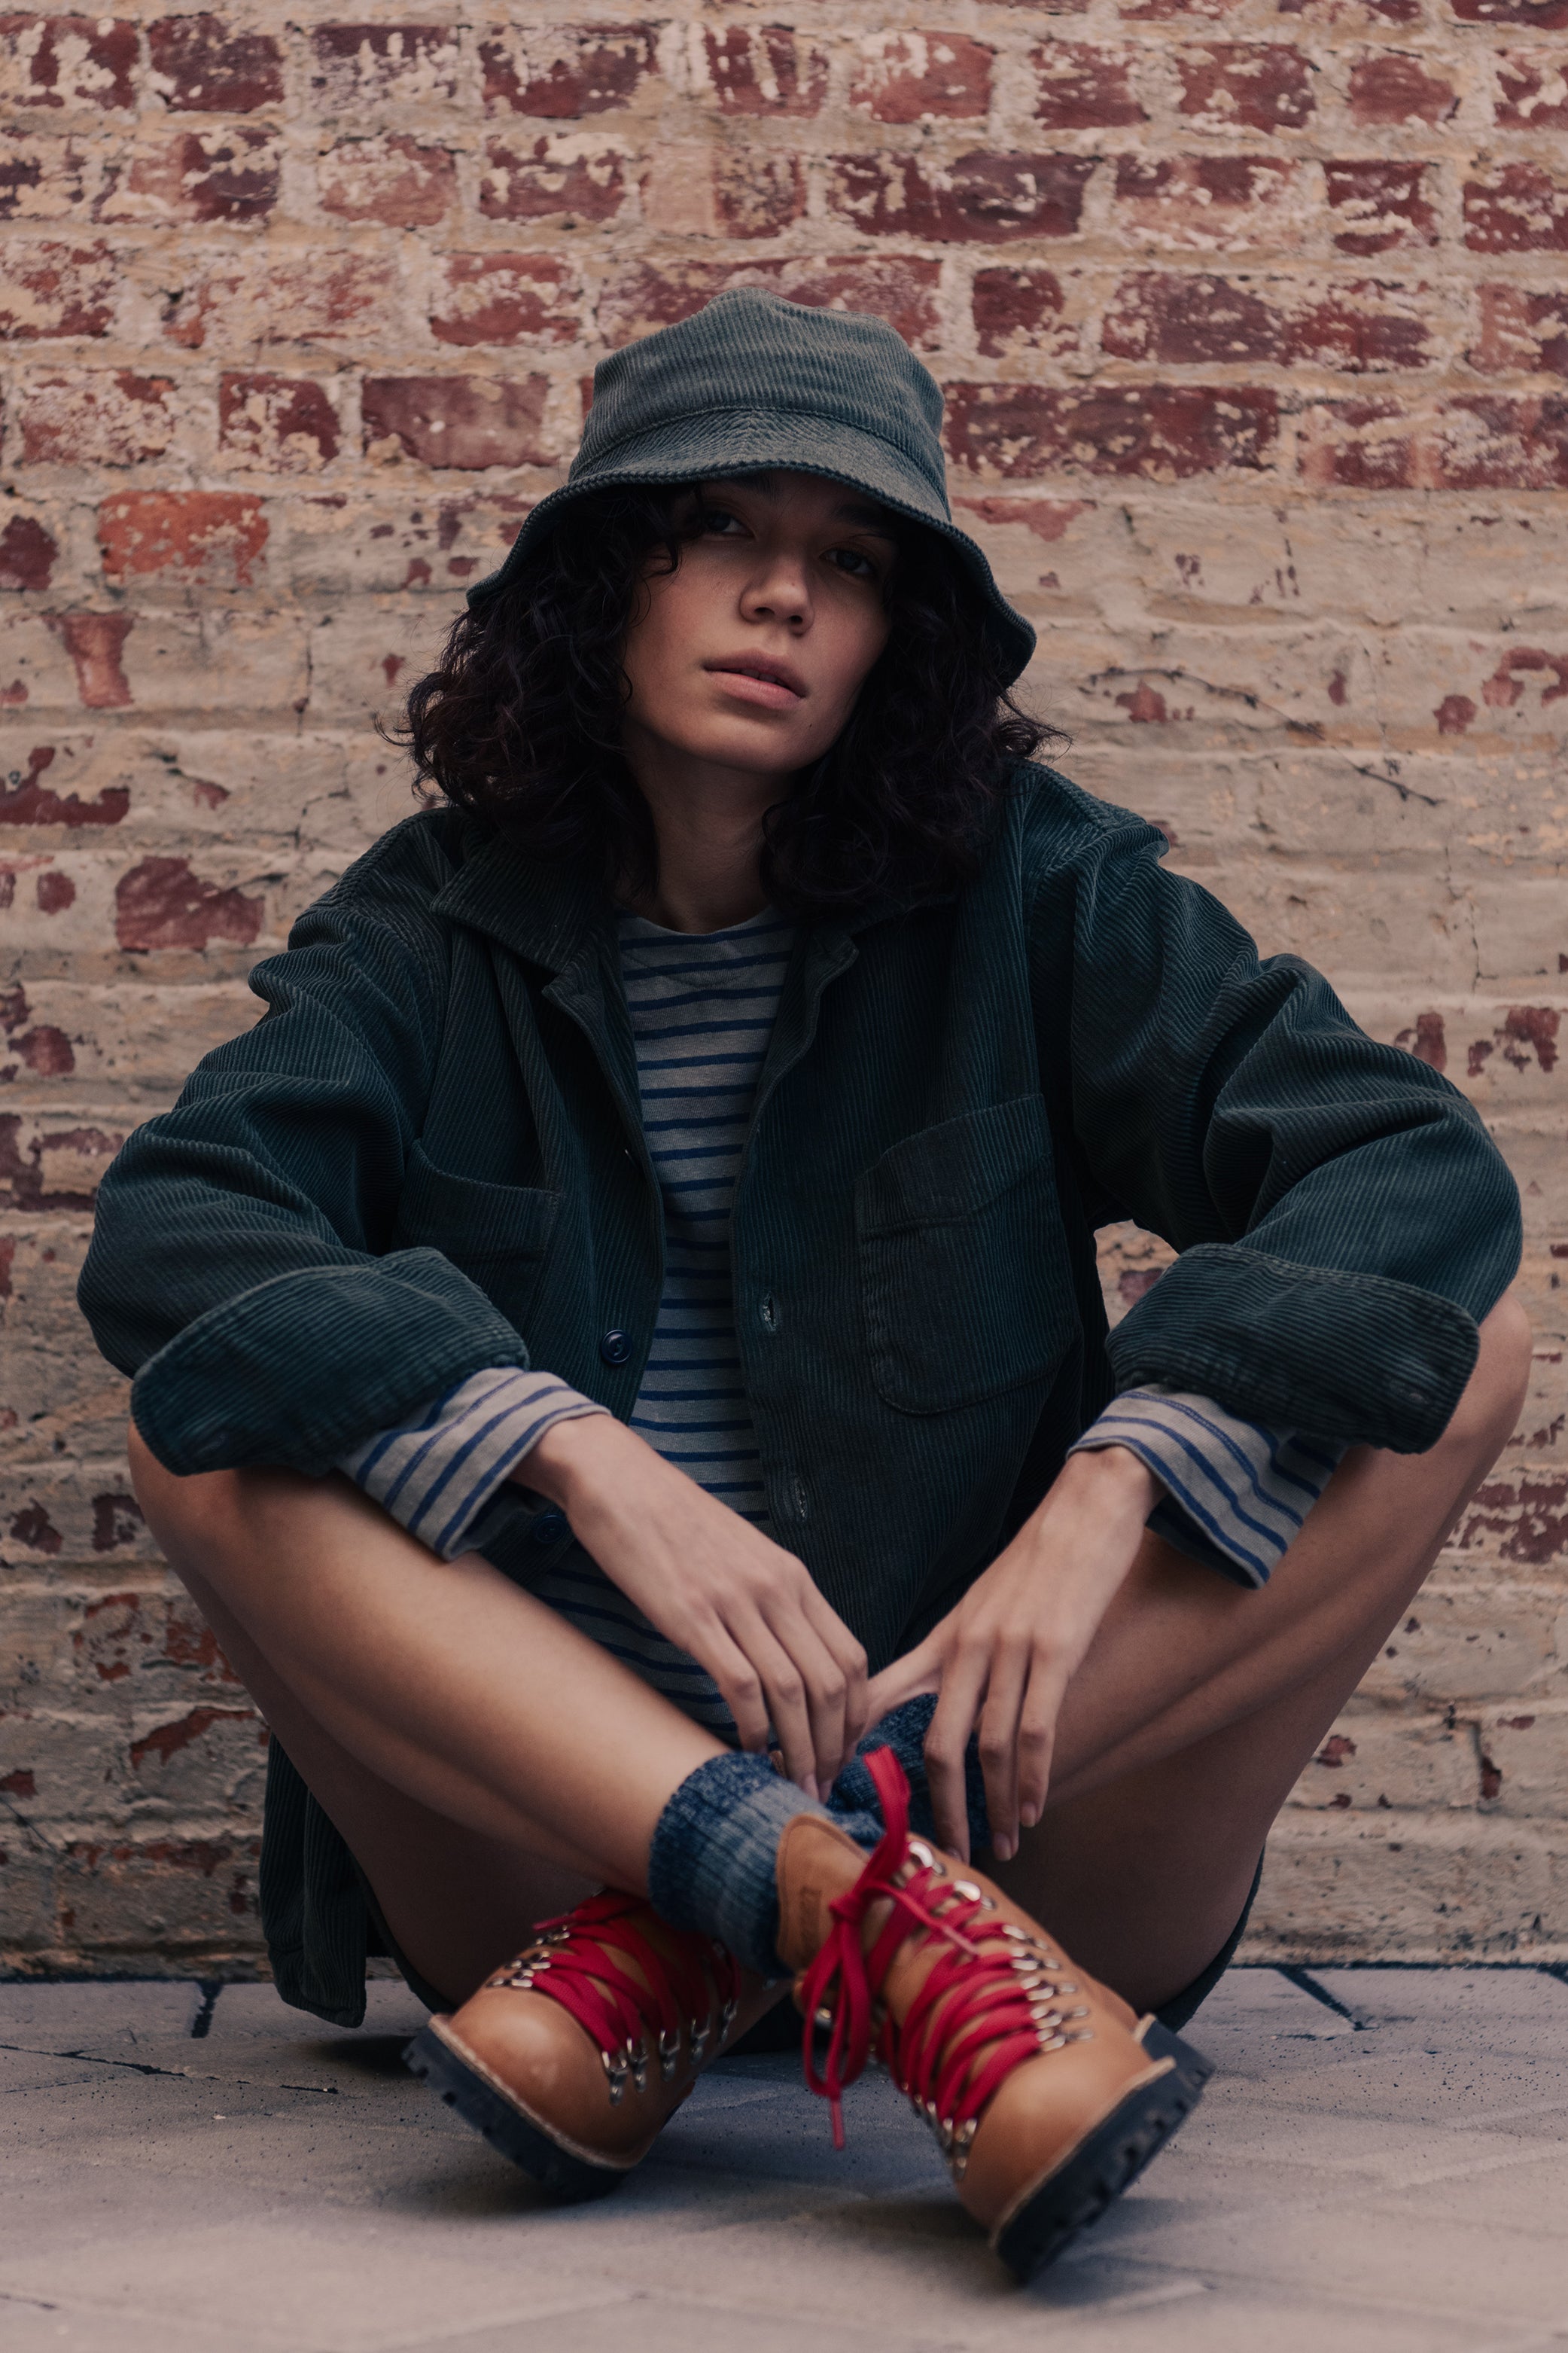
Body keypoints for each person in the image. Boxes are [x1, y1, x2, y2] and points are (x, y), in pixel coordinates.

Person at [82, 291, 1528, 2281]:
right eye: (719, 531)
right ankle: (786, 1888)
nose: (782, 597)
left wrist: (1110, 1487)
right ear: (603, 581)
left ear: (891, 640)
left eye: (848, 564)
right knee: (200, 1437)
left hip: (1014, 1820)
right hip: (550, 1853)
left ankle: (838, 1882)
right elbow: (181, 1225)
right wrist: (575, 1454)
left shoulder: (1034, 892)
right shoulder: (428, 930)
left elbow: (1408, 1168)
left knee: (1464, 1348)